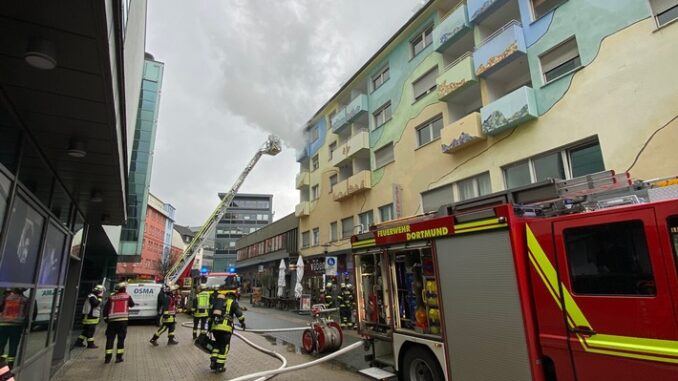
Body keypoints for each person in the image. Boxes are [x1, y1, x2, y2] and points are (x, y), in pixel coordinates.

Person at [208, 285, 245, 373]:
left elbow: (211, 315)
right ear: (233, 297)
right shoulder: (233, 302)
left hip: (215, 328)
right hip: (225, 329)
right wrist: (243, 323)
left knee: (217, 344)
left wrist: (209, 328)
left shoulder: (218, 303)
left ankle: (213, 362)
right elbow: (239, 314)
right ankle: (220, 366)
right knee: (224, 347)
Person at [103, 282, 135, 364]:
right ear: (124, 289)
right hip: (122, 321)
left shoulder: (111, 297)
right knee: (121, 339)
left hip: (112, 321)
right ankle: (119, 357)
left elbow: (105, 309)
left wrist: (106, 318)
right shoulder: (127, 296)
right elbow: (132, 304)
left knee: (110, 339)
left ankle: (107, 358)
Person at [0, 289, 28, 368]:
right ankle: (10, 364)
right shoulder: (25, 300)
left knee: (1, 344)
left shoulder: (6, 298)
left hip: (3, 323)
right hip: (16, 325)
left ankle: (1, 362)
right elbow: (28, 314)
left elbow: (1, 308)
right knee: (13, 345)